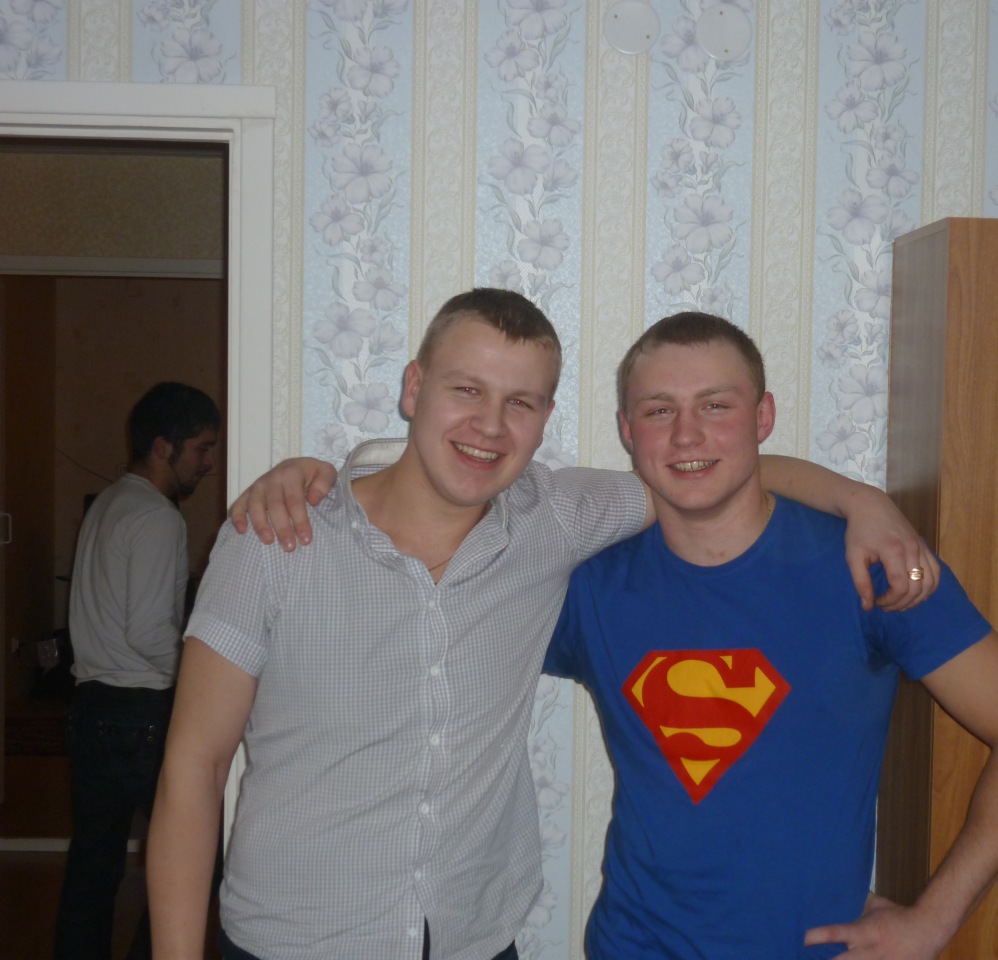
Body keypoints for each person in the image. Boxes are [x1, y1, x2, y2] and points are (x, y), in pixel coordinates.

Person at [147, 289, 937, 960]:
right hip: (291, 942)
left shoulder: (556, 519)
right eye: (467, 390)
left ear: (545, 416)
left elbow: (712, 474)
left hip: (475, 940)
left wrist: (861, 501)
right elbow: (193, 766)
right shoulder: (274, 540)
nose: (490, 426)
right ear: (414, 388)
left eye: (519, 402)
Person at [542, 312, 998, 959]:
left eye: (716, 405)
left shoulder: (871, 567)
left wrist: (933, 921)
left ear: (763, 417)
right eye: (659, 411)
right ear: (628, 430)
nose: (686, 434)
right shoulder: (590, 586)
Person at [54, 381, 220, 960]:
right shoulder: (157, 517)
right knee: (201, 854)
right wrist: (205, 683)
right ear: (162, 446)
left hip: (90, 710)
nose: (208, 462)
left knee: (93, 865)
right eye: (201, 449)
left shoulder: (107, 504)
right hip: (138, 717)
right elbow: (149, 633)